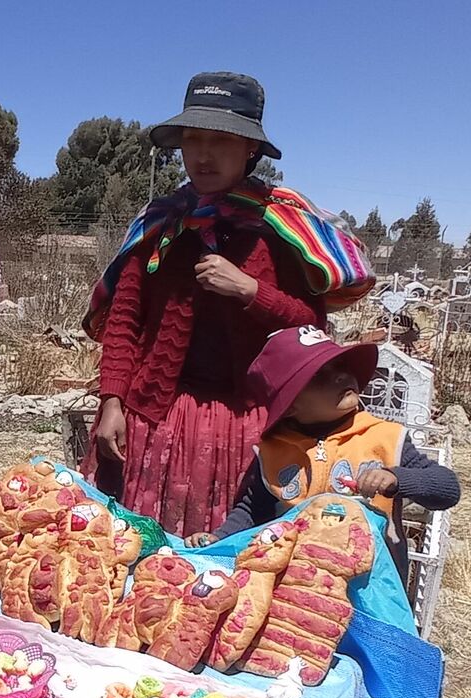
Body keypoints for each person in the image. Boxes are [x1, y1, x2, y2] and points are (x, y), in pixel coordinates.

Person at [83, 72, 372, 538]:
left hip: (245, 426)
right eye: (192, 139)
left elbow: (311, 328)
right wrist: (112, 401)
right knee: (131, 548)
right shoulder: (161, 224)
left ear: (250, 150)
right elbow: (124, 319)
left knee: (227, 556)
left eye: (220, 140)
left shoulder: (280, 228)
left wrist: (250, 291)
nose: (202, 154)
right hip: (154, 418)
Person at [202, 328, 459, 573]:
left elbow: (447, 489)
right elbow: (252, 509)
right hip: (297, 582)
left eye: (342, 365)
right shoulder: (274, 451)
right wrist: (219, 538)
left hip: (373, 584)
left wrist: (397, 478)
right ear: (290, 405)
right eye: (320, 375)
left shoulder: (385, 437)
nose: (341, 375)